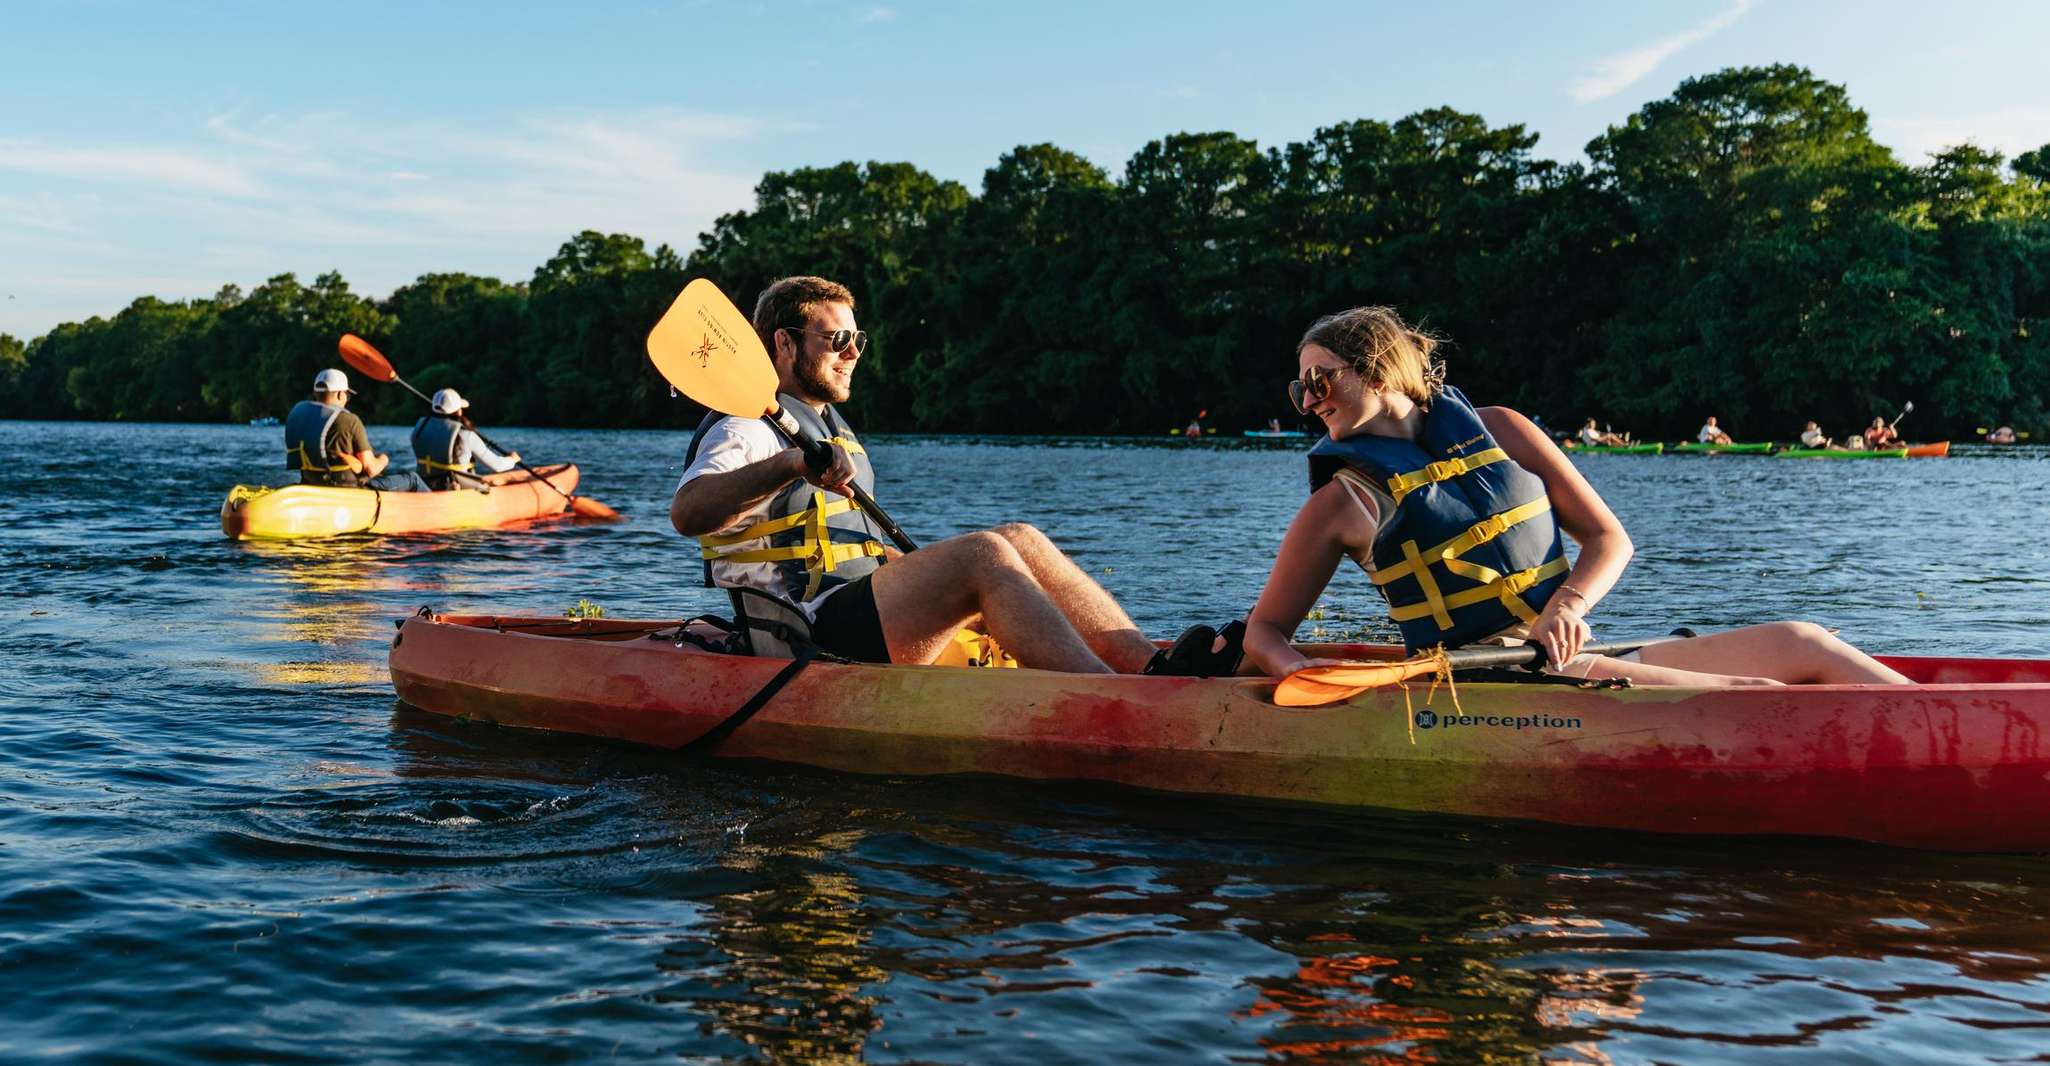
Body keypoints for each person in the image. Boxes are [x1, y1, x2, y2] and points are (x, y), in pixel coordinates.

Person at [1240, 306, 1910, 687]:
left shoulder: (1500, 428)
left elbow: (1610, 538)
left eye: (1320, 381)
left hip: (1561, 656)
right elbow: (1265, 630)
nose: (1308, 401)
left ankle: (1963, 724)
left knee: (1804, 641)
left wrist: (1568, 604)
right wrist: (1301, 673)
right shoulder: (1341, 504)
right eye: (1301, 388)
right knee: (1755, 693)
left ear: (1380, 371)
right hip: (1478, 683)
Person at [670, 276, 1165, 674]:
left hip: (858, 611)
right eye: (838, 339)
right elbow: (688, 513)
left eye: (858, 339)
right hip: (804, 633)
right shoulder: (746, 428)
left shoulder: (823, 426)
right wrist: (790, 463)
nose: (854, 353)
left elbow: (845, 549)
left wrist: (940, 581)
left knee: (1020, 539)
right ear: (785, 341)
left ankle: (1150, 670)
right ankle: (1104, 697)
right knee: (983, 553)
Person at [283, 369, 430, 491]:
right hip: (348, 489)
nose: (346, 398)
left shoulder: (298, 415)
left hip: (311, 483)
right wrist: (384, 459)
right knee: (413, 479)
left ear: (316, 393)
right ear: (341, 394)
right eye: (347, 395)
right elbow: (371, 469)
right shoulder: (349, 420)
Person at [411, 388, 522, 491]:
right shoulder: (466, 435)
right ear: (459, 411)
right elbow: (497, 466)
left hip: (425, 484)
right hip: (456, 487)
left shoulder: (420, 427)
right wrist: (512, 460)